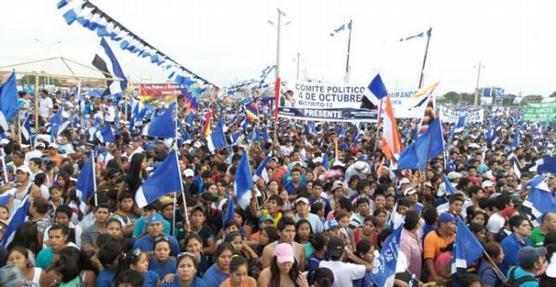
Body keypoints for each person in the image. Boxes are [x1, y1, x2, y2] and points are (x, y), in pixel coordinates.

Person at [423, 212, 456, 285]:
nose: (454, 226)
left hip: (451, 276)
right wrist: (435, 277)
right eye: (452, 223)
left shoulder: (455, 236)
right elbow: (428, 259)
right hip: (437, 278)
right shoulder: (431, 237)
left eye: (455, 224)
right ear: (442, 224)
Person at [399, 210, 423, 279]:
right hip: (409, 280)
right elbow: (404, 267)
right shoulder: (404, 241)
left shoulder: (417, 232)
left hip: (417, 275)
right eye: (419, 219)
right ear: (416, 223)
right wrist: (415, 281)